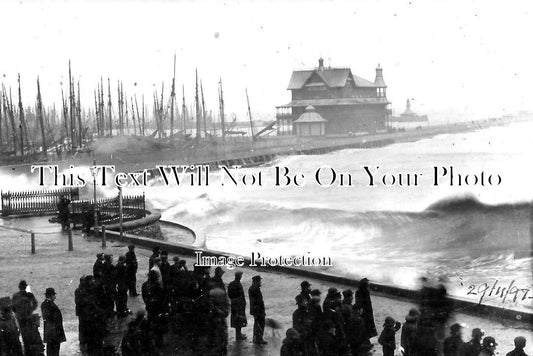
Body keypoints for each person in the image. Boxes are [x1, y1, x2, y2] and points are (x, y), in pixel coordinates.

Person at [12, 280, 40, 354]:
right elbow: (35, 304)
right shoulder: (29, 295)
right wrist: (30, 310)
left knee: (25, 335)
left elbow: (13, 307)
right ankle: (29, 350)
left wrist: (18, 313)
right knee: (28, 334)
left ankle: (28, 350)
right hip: (26, 317)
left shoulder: (16, 295)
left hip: (22, 317)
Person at [41, 288, 66, 356]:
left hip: (52, 332)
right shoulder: (47, 304)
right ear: (50, 295)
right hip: (53, 332)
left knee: (53, 349)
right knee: (53, 350)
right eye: (53, 295)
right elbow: (50, 317)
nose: (55, 296)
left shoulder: (47, 304)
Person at [227, 271, 247, 340]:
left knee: (236, 319)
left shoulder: (231, 283)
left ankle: (238, 334)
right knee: (239, 319)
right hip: (239, 304)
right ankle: (238, 335)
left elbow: (229, 294)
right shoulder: (238, 284)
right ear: (239, 276)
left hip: (234, 304)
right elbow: (241, 295)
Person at [249, 275, 267, 345]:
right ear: (256, 281)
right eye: (259, 281)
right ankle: (259, 339)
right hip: (258, 310)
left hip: (257, 310)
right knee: (260, 324)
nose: (260, 282)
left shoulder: (254, 288)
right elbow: (256, 301)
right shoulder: (254, 289)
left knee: (258, 324)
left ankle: (257, 338)